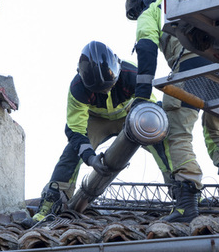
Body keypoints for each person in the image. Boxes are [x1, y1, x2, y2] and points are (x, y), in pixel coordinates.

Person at [131, 0, 219, 222]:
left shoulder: (153, 10)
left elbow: (146, 49)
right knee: (217, 129)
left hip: (191, 66)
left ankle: (187, 204)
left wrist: (142, 96)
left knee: (178, 134)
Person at [32, 40, 172, 221]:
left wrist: (149, 129)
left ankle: (181, 189)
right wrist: (90, 158)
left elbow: (149, 110)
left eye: (109, 86)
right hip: (96, 120)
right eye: (99, 90)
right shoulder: (77, 89)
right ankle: (52, 202)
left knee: (159, 136)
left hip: (129, 113)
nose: (105, 92)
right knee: (71, 152)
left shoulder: (132, 74)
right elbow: (76, 130)